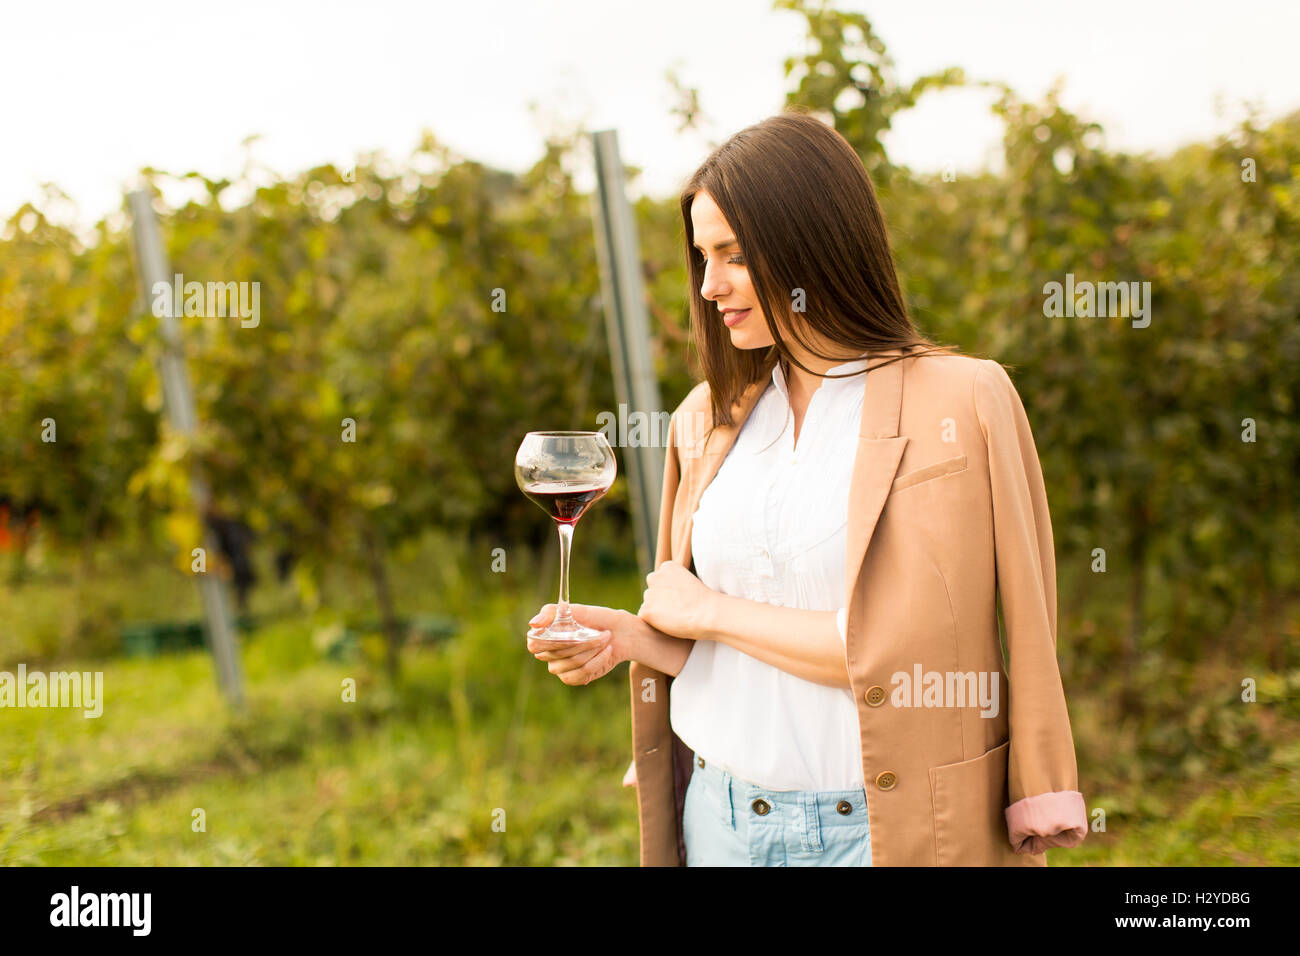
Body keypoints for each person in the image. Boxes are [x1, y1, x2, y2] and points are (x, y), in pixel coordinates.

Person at [527, 109, 1087, 867]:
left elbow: (901, 653)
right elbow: (702, 635)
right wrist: (634, 638)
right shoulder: (705, 419)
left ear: (810, 242)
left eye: (732, 254)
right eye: (701, 256)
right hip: (721, 824)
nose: (708, 283)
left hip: (887, 833)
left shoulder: (963, 402)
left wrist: (712, 611)